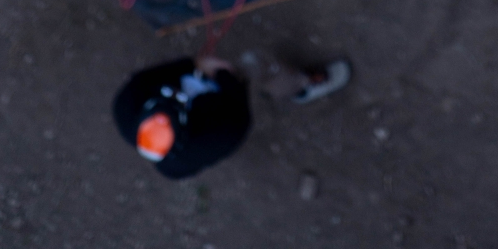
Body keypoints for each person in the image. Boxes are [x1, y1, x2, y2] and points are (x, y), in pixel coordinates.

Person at [112, 54, 350, 179]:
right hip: (221, 99)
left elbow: (148, 76)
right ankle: (300, 86)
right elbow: (239, 114)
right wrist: (226, 76)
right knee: (254, 62)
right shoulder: (216, 135)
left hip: (197, 86)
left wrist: (195, 63)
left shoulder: (126, 105)